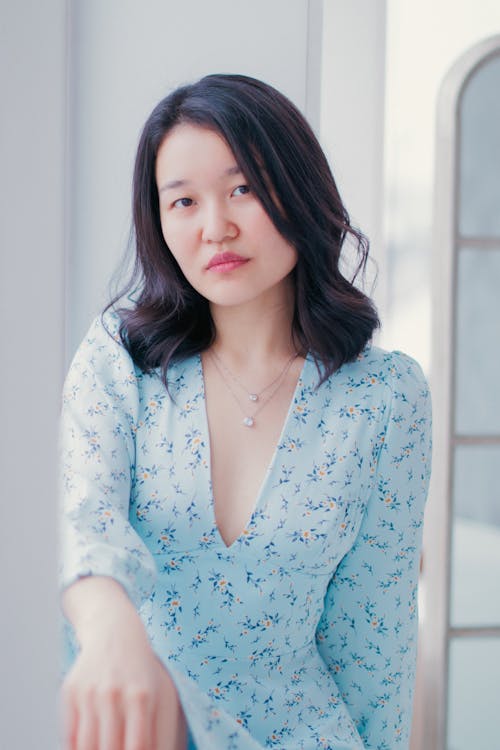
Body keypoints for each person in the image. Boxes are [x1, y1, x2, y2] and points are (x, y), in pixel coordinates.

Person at [59, 73, 432, 750]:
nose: (215, 227)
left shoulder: (385, 398)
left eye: (245, 189)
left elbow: (374, 643)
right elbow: (86, 524)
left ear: (299, 189)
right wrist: (111, 630)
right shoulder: (121, 359)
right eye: (183, 201)